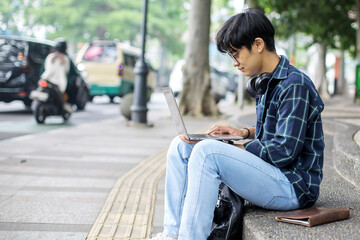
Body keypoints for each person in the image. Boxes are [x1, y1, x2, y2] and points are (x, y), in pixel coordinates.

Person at [149, 8, 325, 240]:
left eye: (236, 54)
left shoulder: (294, 85)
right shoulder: (267, 82)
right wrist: (242, 132)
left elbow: (284, 151)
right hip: (275, 175)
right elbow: (280, 130)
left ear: (258, 44)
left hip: (293, 186)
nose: (234, 63)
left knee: (207, 152)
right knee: (180, 147)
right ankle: (172, 234)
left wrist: (237, 146)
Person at [41, 38, 72, 112]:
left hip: (46, 79)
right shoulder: (64, 58)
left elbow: (44, 68)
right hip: (57, 82)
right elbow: (67, 71)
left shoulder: (51, 57)